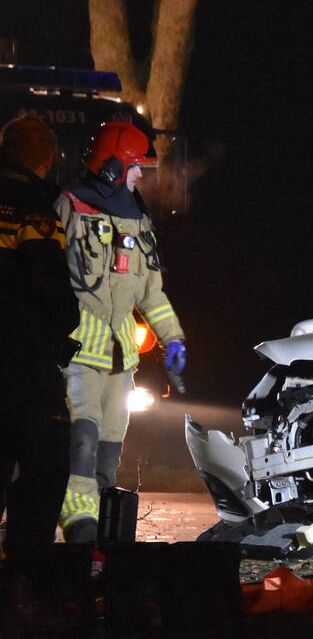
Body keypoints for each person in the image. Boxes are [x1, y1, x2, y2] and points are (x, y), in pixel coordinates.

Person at [55, 122, 186, 543]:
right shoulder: (71, 207)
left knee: (108, 449)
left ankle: (98, 542)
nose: (139, 177)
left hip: (121, 359)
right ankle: (78, 528)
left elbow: (151, 290)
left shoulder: (138, 218)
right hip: (78, 352)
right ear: (114, 166)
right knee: (83, 437)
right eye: (135, 168)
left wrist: (173, 338)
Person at [0, 117, 79, 602]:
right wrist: (62, 326)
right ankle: (24, 577)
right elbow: (48, 288)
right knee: (45, 465)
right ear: (46, 157)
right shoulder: (35, 210)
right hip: (23, 363)